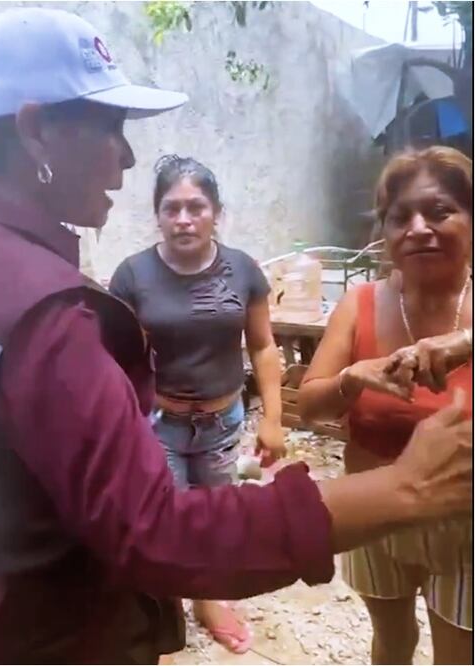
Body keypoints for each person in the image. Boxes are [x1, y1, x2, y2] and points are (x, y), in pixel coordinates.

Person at [0, 8, 474, 664]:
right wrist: (401, 488)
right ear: (36, 132)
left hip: (3, 609)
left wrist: (271, 416)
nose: (128, 155)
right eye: (113, 128)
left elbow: (263, 350)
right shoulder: (52, 308)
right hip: (57, 629)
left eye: (442, 212)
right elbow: (156, 532)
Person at [298, 146, 473, 665]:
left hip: (463, 516)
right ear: (385, 233)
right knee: (392, 643)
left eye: (440, 211)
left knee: (457, 655)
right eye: (401, 217)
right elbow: (309, 407)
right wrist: (352, 379)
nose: (418, 228)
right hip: (374, 511)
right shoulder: (362, 304)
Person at [108, 155, 286, 654]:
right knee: (168, 516)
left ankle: (208, 601)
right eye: (172, 209)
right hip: (158, 422)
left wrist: (273, 419)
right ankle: (165, 609)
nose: (183, 219)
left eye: (196, 207)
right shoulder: (133, 276)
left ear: (216, 212)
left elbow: (264, 347)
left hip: (223, 423)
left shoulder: (244, 271)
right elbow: (121, 359)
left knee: (214, 511)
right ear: (158, 215)